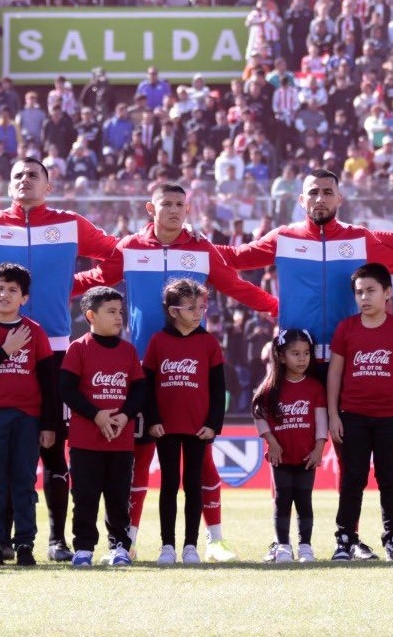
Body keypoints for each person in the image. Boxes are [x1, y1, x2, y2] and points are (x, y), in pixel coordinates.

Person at [72, 180, 277, 560]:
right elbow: (95, 280)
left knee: (203, 461)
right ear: (151, 209)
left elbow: (236, 286)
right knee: (139, 456)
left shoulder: (201, 249)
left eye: (180, 204)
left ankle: (214, 540)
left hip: (189, 368)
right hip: (140, 370)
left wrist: (276, 308)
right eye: (166, 203)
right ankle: (127, 542)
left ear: (188, 209)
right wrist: (45, 290)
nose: (173, 209)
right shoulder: (130, 247)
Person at [0, 157, 119, 561]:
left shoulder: (71, 223)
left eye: (33, 175)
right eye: (17, 174)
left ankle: (56, 540)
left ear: (48, 186)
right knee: (1, 460)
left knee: (53, 449)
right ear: (8, 185)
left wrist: (73, 286)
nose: (24, 180)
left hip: (54, 349)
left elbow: (118, 255)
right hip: (2, 350)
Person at [225, 169, 393, 368]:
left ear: (339, 199)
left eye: (328, 193)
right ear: (302, 200)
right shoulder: (283, 238)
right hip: (296, 362)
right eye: (313, 192)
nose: (320, 198)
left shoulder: (358, 238)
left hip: (347, 360)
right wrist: (195, 243)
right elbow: (236, 257)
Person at [327, 262, 393, 562]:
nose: (364, 298)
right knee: (353, 478)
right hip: (352, 416)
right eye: (359, 292)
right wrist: (333, 415)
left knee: (389, 479)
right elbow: (335, 374)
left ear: (387, 293)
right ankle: (345, 539)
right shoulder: (346, 329)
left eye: (370, 291)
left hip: (390, 418)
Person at [0, 263, 57, 566]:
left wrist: (49, 424)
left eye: (12, 289)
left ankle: (25, 544)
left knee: (23, 481)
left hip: (28, 417)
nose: (4, 294)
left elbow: (49, 383)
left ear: (24, 298)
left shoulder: (35, 331)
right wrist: (6, 349)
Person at [142, 279, 225, 565]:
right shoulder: (157, 341)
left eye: (201, 306)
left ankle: (191, 546)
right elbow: (147, 386)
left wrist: (213, 424)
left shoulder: (209, 343)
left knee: (193, 484)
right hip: (164, 427)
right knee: (169, 484)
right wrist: (152, 419)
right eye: (190, 308)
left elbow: (218, 388)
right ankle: (167, 546)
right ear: (173, 311)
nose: (198, 312)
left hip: (198, 428)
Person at [61, 286, 146, 567]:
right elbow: (67, 390)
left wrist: (124, 416)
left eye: (120, 311)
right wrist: (96, 415)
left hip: (121, 440)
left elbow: (139, 391)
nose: (119, 317)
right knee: (84, 497)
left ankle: (119, 547)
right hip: (85, 440)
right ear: (91, 315)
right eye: (111, 311)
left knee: (118, 498)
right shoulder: (78, 348)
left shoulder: (128, 351)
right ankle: (83, 548)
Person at [252, 329, 327, 564]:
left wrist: (319, 448)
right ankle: (283, 546)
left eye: (306, 353)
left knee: (305, 500)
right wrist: (271, 441)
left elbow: (321, 420)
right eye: (295, 353)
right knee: (282, 500)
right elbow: (258, 413)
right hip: (280, 456)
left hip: (306, 456)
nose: (302, 358)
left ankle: (305, 547)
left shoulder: (315, 387)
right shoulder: (270, 387)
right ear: (282, 356)